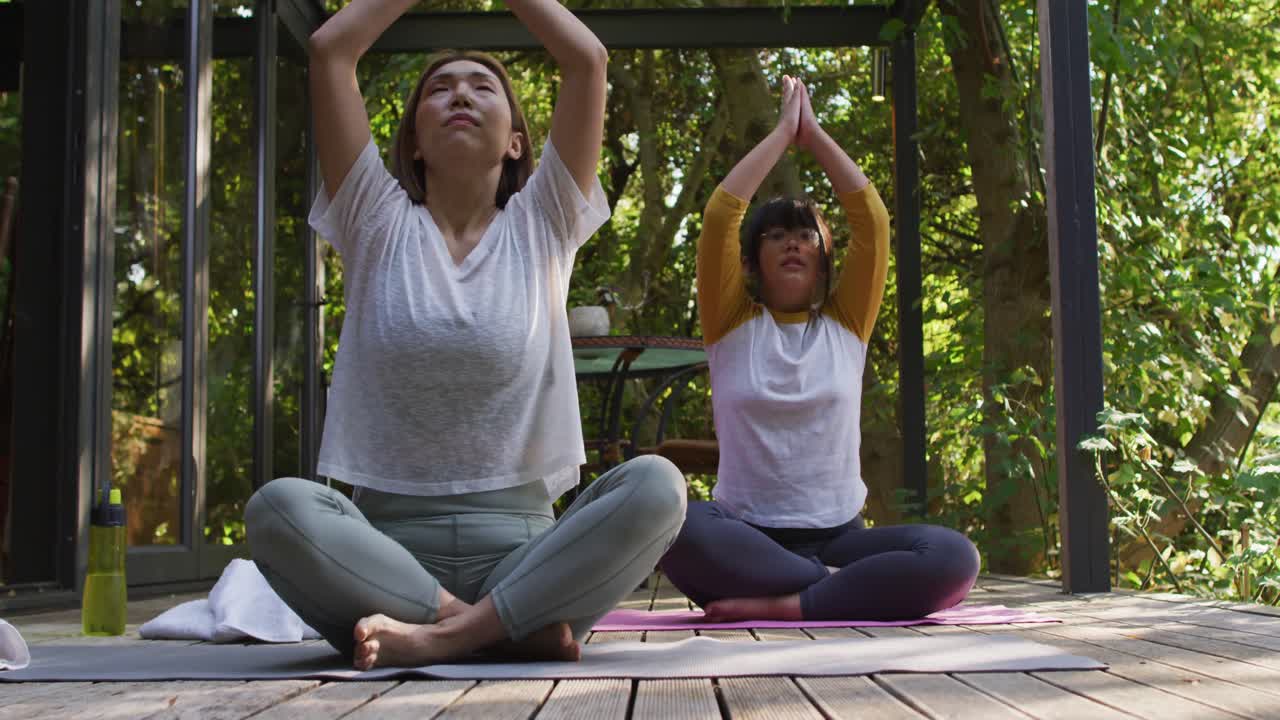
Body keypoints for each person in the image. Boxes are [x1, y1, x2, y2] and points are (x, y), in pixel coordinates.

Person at [244, 0, 685, 670]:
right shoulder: (374, 220)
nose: (459, 95)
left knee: (659, 487)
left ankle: (441, 638)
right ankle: (493, 629)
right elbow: (332, 50)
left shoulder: (544, 222)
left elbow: (586, 60)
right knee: (278, 510)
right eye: (439, 89)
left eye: (483, 88)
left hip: (531, 557)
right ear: (414, 142)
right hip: (386, 560)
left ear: (514, 141)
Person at [658, 76, 979, 622]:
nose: (791, 242)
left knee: (954, 557)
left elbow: (872, 223)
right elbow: (719, 217)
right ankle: (843, 593)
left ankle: (793, 603)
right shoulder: (730, 323)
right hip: (747, 540)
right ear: (752, 262)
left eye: (806, 235)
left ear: (826, 261)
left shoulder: (847, 324)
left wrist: (816, 135)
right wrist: (784, 132)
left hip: (839, 541)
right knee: (671, 523)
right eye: (776, 234)